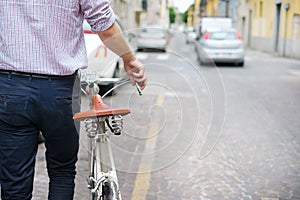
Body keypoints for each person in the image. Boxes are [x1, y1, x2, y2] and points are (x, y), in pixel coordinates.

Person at [0, 0, 147, 199]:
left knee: (14, 181)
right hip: (61, 89)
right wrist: (129, 58)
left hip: (11, 86)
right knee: (62, 172)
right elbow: (103, 22)